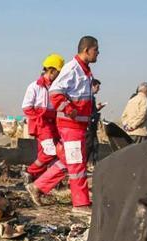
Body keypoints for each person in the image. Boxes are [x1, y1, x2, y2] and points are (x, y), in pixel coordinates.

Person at [30, 36, 99, 216]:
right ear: (86, 50)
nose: (98, 53)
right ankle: (80, 204)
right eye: (96, 50)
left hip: (77, 126)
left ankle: (37, 186)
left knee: (69, 161)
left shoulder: (83, 70)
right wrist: (69, 110)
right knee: (77, 164)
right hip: (71, 126)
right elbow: (55, 91)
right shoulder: (73, 68)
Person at [22, 53, 64, 184]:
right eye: (58, 72)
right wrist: (39, 120)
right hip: (41, 123)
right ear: (51, 71)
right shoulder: (34, 86)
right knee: (51, 151)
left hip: (53, 123)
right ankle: (30, 171)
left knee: (45, 152)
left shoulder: (56, 87)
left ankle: (36, 178)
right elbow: (26, 107)